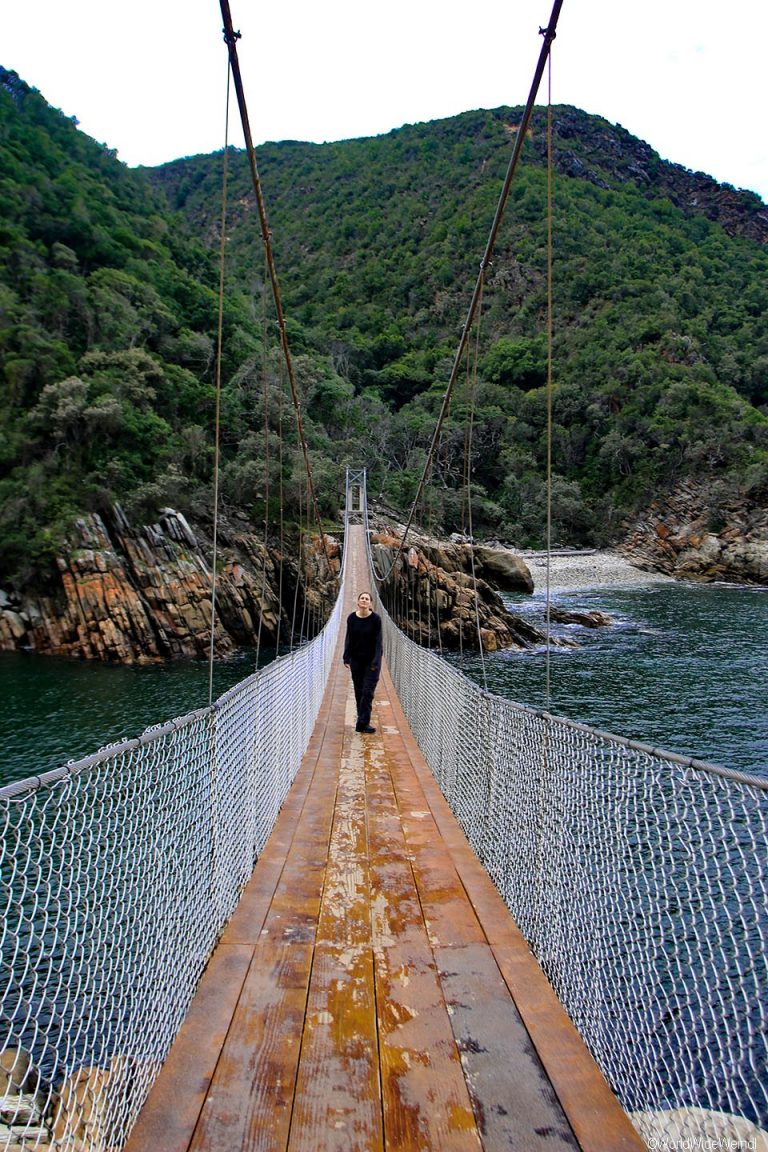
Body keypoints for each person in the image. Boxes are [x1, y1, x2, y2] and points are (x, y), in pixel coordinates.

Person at [343, 591, 382, 734]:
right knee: (359, 691)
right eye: (362, 598)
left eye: (367, 599)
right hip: (356, 661)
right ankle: (362, 720)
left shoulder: (376, 619)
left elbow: (379, 642)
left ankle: (362, 723)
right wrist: (346, 657)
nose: (364, 601)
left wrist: (376, 662)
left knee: (368, 692)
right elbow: (349, 638)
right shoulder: (351, 618)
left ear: (370, 603)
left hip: (371, 662)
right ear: (358, 602)